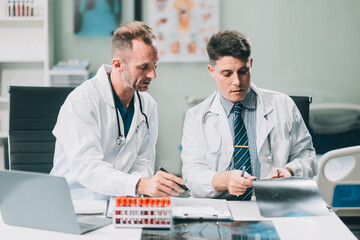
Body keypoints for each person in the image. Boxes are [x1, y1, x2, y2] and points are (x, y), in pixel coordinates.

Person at [50, 21, 185, 200]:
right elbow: (87, 167)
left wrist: (138, 187)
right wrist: (139, 184)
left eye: (155, 65)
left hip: (120, 203)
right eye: (144, 67)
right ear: (118, 64)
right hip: (76, 203)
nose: (153, 74)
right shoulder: (82, 100)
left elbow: (143, 162)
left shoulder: (148, 105)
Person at [181, 30, 317, 200]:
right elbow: (191, 175)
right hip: (219, 208)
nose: (237, 81)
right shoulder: (196, 117)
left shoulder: (283, 106)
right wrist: (224, 180)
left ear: (250, 64)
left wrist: (290, 171)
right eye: (227, 74)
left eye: (243, 71)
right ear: (211, 71)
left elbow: (308, 157)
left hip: (274, 203)